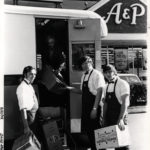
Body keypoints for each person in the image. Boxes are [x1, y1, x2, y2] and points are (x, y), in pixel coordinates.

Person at [79, 56, 105, 150]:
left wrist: (94, 109)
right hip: (86, 108)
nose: (85, 65)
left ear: (91, 63)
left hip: (95, 107)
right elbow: (82, 91)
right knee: (89, 132)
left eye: (87, 62)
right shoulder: (83, 76)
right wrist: (68, 88)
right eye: (83, 63)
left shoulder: (97, 74)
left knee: (98, 132)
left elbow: (100, 91)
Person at [102, 64, 130, 150]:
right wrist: (103, 118)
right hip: (109, 117)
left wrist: (121, 119)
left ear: (114, 72)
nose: (108, 74)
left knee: (123, 144)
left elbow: (124, 103)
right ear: (104, 74)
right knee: (114, 143)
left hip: (120, 115)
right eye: (106, 72)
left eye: (110, 72)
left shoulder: (122, 83)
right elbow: (105, 103)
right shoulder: (105, 86)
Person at [16, 66, 38, 135]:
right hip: (27, 121)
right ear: (25, 74)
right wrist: (26, 127)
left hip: (32, 118)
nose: (33, 76)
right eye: (31, 74)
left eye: (35, 74)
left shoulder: (29, 85)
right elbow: (23, 109)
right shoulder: (22, 87)